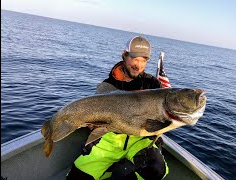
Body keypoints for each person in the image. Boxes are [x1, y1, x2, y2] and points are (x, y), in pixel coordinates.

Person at [67, 36, 169, 180]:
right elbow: (95, 120)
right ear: (124, 55)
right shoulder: (108, 85)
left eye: (143, 60)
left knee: (156, 169)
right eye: (134, 59)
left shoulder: (153, 84)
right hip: (110, 141)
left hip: (139, 141)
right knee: (76, 178)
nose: (138, 65)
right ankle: (109, 167)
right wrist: (92, 124)